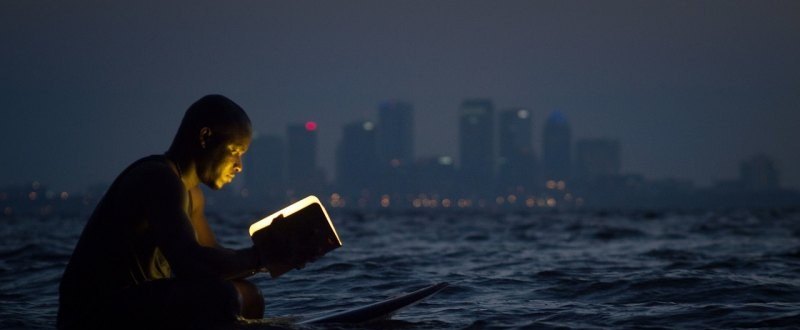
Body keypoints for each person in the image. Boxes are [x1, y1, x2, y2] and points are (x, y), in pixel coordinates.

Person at [57, 95, 273, 329]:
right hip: (93, 313)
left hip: (135, 305)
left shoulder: (192, 194)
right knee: (219, 296)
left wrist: (276, 254)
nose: (239, 165)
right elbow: (191, 263)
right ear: (205, 137)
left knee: (250, 295)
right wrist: (261, 257)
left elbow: (211, 255)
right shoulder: (159, 178)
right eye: (234, 151)